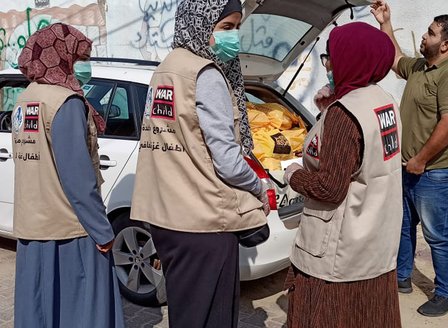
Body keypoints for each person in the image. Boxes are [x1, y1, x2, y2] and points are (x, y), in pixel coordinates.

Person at [130, 1, 270, 327]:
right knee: (213, 317)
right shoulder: (204, 74)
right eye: (225, 28)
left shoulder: (166, 67)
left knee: (187, 313)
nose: (233, 36)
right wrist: (257, 186)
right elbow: (227, 161)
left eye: (236, 27)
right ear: (200, 21)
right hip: (204, 221)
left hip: (167, 217)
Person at [283, 22, 402, 328]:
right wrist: (328, 109)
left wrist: (293, 174)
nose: (329, 65)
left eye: (332, 57)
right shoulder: (383, 100)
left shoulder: (345, 114)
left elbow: (329, 188)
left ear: (353, 57)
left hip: (338, 251)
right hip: (375, 241)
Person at [12, 23, 124, 327]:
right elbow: (78, 178)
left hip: (32, 227)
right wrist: (102, 231)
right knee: (80, 311)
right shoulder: (65, 102)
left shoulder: (25, 100)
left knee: (43, 310)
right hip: (68, 230)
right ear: (62, 55)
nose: (85, 66)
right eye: (80, 57)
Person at [371, 1, 448, 317]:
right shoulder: (420, 67)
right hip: (410, 166)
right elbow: (394, 59)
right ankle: (401, 277)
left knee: (437, 235)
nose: (424, 36)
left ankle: (447, 293)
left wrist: (420, 159)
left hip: (437, 171)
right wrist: (385, 23)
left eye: (430, 33)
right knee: (403, 225)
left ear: (445, 44)